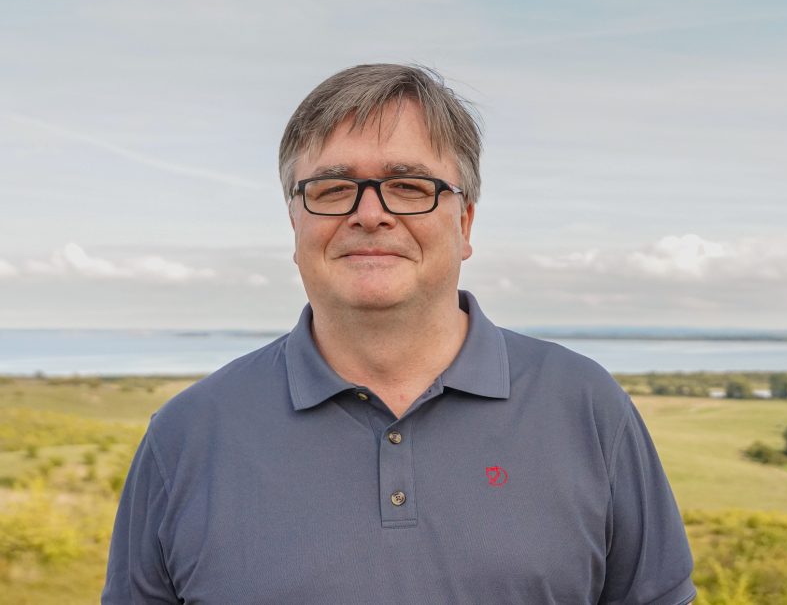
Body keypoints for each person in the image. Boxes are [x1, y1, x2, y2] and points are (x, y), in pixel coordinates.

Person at [103, 64, 696, 604]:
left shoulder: (586, 407)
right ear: (295, 224)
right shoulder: (186, 435)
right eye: (332, 189)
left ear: (463, 223)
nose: (370, 213)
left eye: (410, 186)